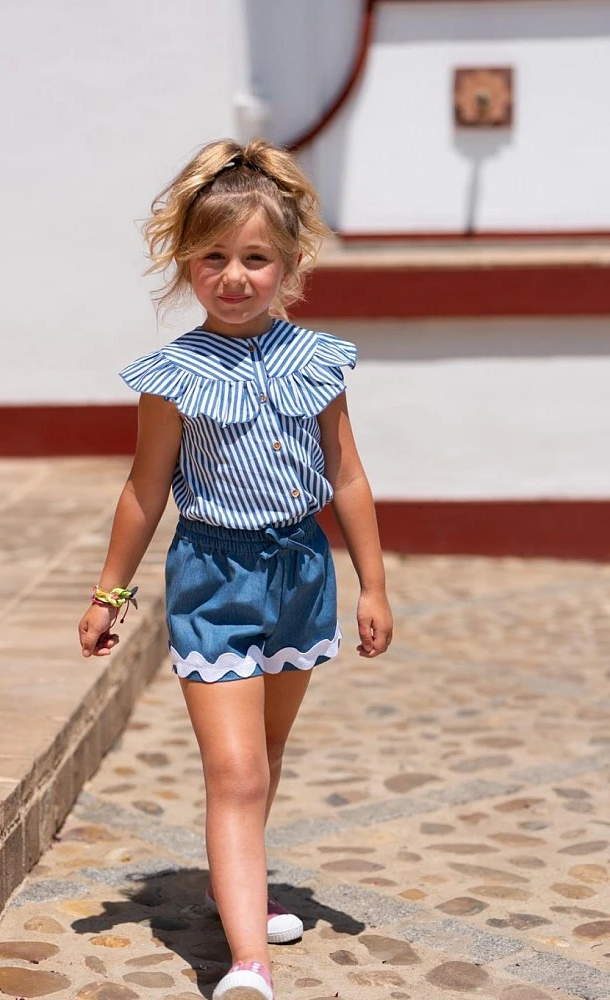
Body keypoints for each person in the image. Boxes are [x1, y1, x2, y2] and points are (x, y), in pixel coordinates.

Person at [77, 137, 393, 1000]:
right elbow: (145, 492)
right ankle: (247, 961)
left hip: (300, 572)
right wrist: (111, 591)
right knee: (236, 771)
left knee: (268, 751)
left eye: (256, 258)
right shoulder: (172, 376)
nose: (235, 276)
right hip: (213, 580)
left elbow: (349, 475)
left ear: (289, 264)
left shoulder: (320, 362)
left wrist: (374, 583)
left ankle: (240, 889)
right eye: (213, 257)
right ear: (185, 263)